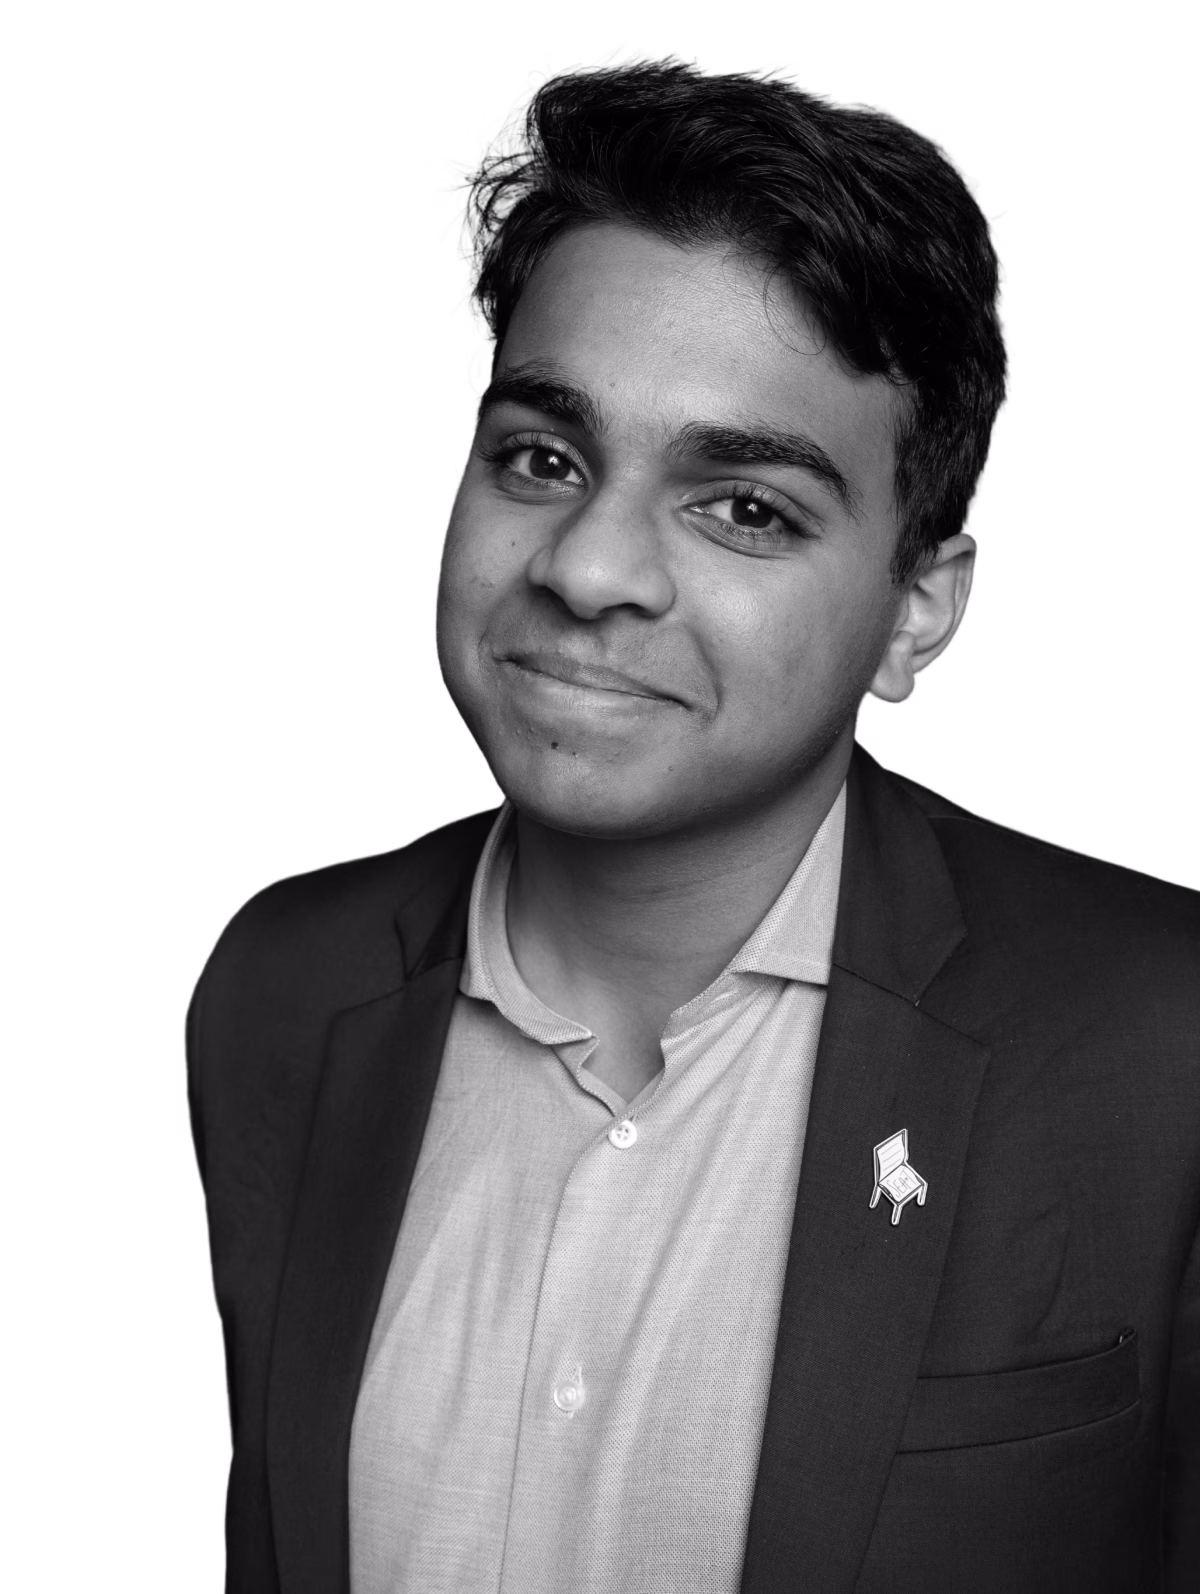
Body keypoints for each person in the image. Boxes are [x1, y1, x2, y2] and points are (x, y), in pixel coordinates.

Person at [184, 54, 1198, 1593]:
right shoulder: (274, 985)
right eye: (543, 456)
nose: (589, 567)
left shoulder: (1164, 1035)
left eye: (743, 506)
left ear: (918, 611)